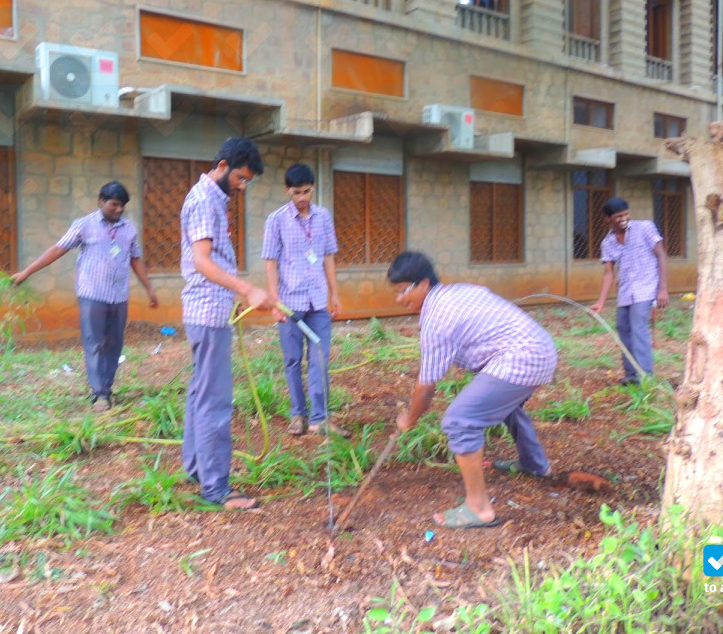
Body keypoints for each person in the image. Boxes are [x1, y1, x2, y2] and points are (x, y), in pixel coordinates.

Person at [388, 251, 557, 529]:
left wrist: (409, 419)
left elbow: (426, 387)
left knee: (460, 420)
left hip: (523, 357)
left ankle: (478, 508)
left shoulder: (436, 319)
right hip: (540, 347)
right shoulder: (458, 291)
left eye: (403, 290)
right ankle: (535, 464)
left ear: (423, 284)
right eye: (395, 292)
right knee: (503, 403)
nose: (399, 299)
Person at [180, 137, 274, 511]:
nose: (242, 185)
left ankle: (196, 470)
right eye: (239, 177)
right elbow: (203, 261)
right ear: (221, 165)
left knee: (201, 394)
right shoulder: (204, 201)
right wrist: (247, 289)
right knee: (215, 401)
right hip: (206, 312)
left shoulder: (212, 200)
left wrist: (248, 297)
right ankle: (216, 488)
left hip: (210, 311)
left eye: (247, 181)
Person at [12, 181, 159, 411]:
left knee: (114, 343)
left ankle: (107, 388)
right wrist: (27, 272)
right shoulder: (84, 225)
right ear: (101, 201)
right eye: (114, 205)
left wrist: (149, 288)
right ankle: (98, 393)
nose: (119, 210)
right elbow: (58, 249)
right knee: (94, 342)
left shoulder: (128, 229)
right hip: (92, 295)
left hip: (119, 296)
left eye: (122, 206)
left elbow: (135, 259)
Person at [262, 163, 348, 438]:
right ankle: (297, 414)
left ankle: (319, 418)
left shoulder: (323, 217)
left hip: (318, 302)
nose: (302, 197)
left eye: (307, 191)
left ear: (313, 189)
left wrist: (334, 293)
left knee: (320, 359)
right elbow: (270, 262)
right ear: (288, 191)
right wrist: (274, 300)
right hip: (290, 303)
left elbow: (328, 256)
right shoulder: (276, 220)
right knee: (292, 360)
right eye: (297, 192)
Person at [588, 197, 669, 385]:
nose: (623, 219)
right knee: (624, 330)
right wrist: (600, 302)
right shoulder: (607, 243)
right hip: (625, 292)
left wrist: (663, 289)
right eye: (618, 216)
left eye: (626, 214)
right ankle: (631, 376)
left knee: (638, 329)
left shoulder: (645, 228)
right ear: (607, 220)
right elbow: (608, 273)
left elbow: (661, 254)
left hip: (646, 288)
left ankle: (645, 377)